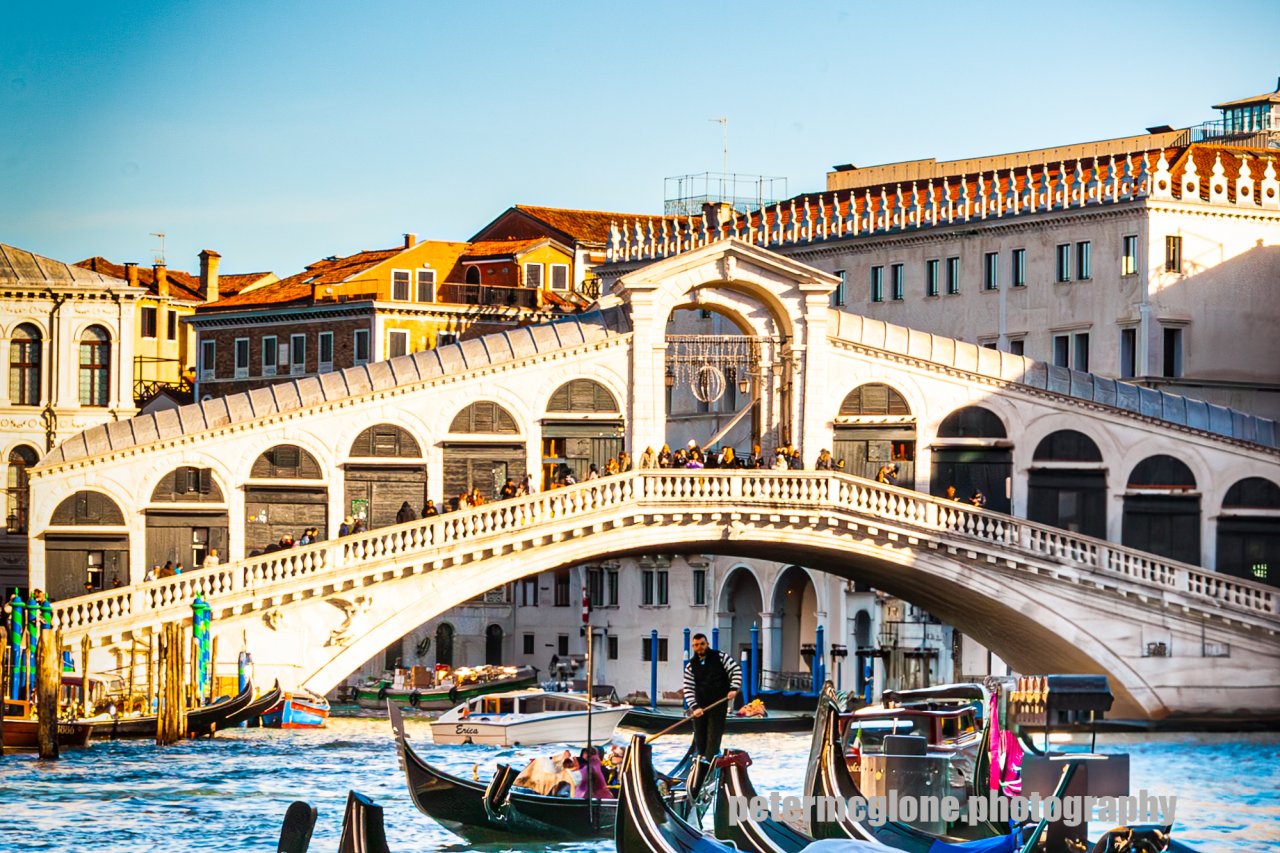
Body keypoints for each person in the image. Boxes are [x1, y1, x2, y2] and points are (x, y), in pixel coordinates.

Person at [682, 632, 741, 761]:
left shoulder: (720, 657)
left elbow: (735, 670)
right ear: (693, 647)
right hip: (700, 706)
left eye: (702, 644)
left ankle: (710, 760)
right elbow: (688, 688)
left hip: (718, 703)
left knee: (714, 735)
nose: (700, 647)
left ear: (707, 644)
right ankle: (702, 760)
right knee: (700, 737)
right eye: (696, 645)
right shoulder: (690, 666)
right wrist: (694, 707)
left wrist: (733, 688)